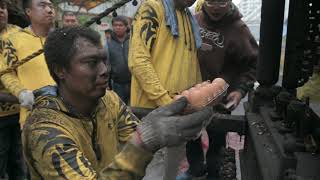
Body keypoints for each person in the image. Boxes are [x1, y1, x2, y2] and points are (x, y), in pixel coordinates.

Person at [22, 26, 212, 179]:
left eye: (104, 60)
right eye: (91, 62)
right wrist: (143, 141)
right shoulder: (44, 130)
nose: (105, 70)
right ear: (60, 70)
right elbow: (140, 142)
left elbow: (134, 136)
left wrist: (178, 123)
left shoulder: (108, 99)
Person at [177, 0, 258, 179]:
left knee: (217, 142)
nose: (215, 7)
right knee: (191, 137)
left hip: (221, 97)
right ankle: (195, 169)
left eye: (221, 2)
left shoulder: (239, 29)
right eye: (212, 1)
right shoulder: (193, 20)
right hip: (193, 93)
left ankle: (214, 174)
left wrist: (240, 90)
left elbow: (252, 65)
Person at [128, 0, 203, 178]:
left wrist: (197, 104)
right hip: (152, 113)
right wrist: (166, 102)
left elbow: (191, 65)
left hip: (179, 114)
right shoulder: (152, 8)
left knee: (170, 170)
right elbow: (138, 61)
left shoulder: (187, 16)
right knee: (154, 171)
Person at [0, 0, 56, 126]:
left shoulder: (62, 39)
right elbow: (6, 73)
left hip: (68, 114)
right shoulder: (14, 40)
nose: (49, 10)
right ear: (29, 12)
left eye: (51, 6)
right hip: (33, 117)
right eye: (42, 5)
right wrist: (21, 92)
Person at [0, 0, 26, 179]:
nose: (1, 12)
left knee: (19, 160)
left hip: (21, 110)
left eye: (2, 8)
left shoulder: (18, 33)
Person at [108, 16, 131, 104]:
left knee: (135, 106)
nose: (118, 27)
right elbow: (107, 64)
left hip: (133, 82)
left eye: (120, 25)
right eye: (115, 25)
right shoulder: (109, 44)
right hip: (117, 84)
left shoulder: (132, 41)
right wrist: (107, 84)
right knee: (120, 106)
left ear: (126, 27)